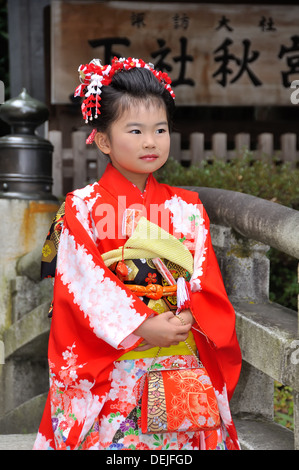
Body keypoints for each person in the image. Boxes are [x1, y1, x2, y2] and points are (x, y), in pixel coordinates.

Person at [33, 57, 242, 450]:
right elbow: (84, 285)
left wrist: (185, 314)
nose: (151, 141)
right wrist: (144, 325)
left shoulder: (188, 207)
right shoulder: (82, 206)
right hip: (113, 364)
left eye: (160, 129)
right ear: (104, 139)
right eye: (136, 130)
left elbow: (204, 278)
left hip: (176, 359)